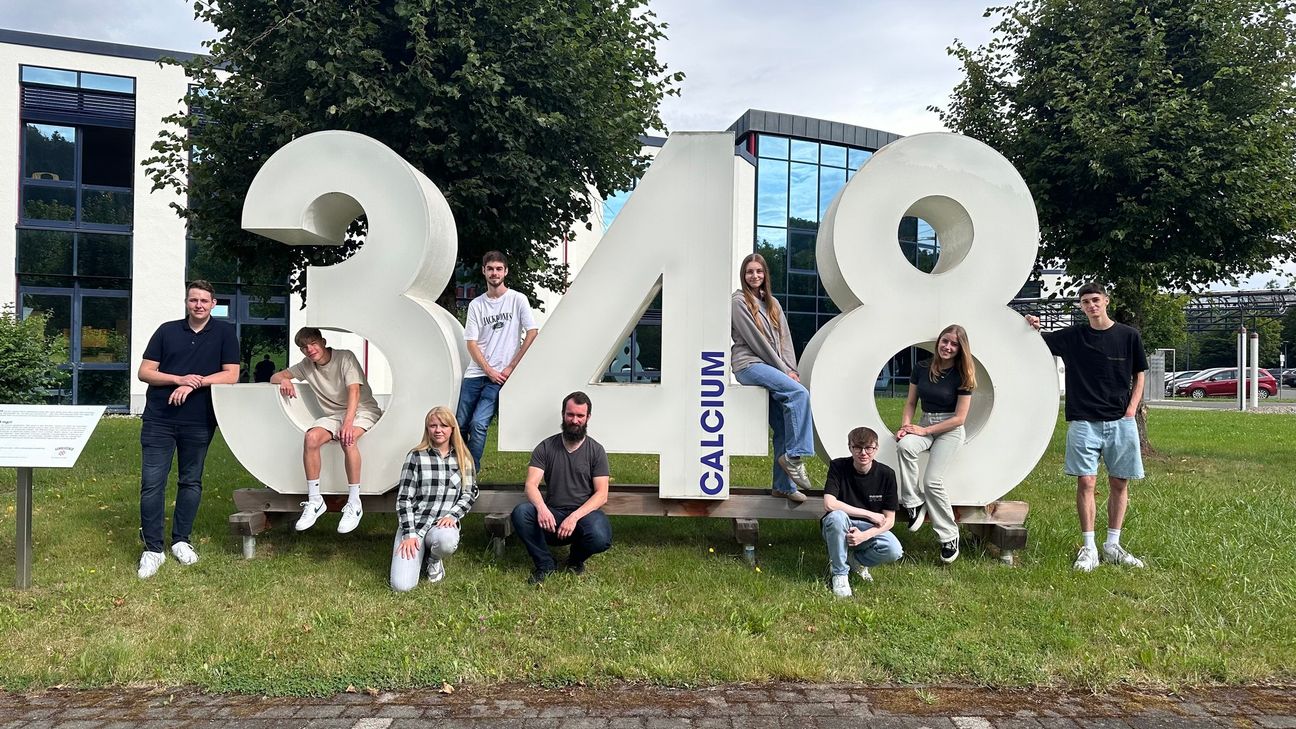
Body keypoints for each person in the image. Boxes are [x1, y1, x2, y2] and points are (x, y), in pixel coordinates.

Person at [1025, 283, 1148, 572]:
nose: (1091, 305)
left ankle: (1113, 545)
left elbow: (1139, 374)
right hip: (1083, 421)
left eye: (1095, 300)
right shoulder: (1073, 337)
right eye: (1085, 302)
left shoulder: (1128, 336)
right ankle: (1089, 547)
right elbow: (1038, 341)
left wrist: (1131, 410)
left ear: (1106, 301)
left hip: (1120, 421)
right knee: (1086, 482)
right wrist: (1032, 324)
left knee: (1120, 482)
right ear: (1081, 307)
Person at [135, 280, 240, 579]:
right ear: (186, 302)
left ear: (213, 304)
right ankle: (153, 550)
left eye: (204, 301)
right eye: (193, 300)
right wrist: (178, 379)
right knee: (152, 483)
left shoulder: (224, 333)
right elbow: (145, 372)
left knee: (191, 481)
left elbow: (231, 375)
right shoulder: (167, 331)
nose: (198, 305)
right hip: (159, 419)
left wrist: (195, 383)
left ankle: (181, 540)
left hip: (199, 420)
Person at [270, 327, 384, 534]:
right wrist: (285, 379)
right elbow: (275, 376)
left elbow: (354, 391)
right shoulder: (306, 365)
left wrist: (348, 423)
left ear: (323, 342)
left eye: (313, 343)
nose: (310, 349)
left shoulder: (345, 357)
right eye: (304, 347)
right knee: (311, 437)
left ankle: (354, 503)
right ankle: (315, 500)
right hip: (335, 415)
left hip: (362, 410)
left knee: (348, 439)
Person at [730, 253, 815, 502]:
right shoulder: (739, 302)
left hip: (773, 367)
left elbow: (784, 340)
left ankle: (783, 486)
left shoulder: (772, 303)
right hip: (749, 365)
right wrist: (783, 371)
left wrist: (792, 369)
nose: (754, 276)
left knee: (783, 424)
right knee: (799, 394)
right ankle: (795, 456)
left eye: (759, 271)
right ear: (743, 275)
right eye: (749, 271)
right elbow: (758, 342)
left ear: (765, 274)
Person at [510, 391, 612, 585]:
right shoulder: (546, 447)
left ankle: (575, 559)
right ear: (563, 414)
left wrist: (574, 518)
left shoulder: (596, 451)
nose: (575, 420)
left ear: (588, 417)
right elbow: (531, 485)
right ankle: (545, 564)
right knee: (521, 513)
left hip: (583, 516)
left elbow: (602, 494)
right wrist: (542, 509)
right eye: (570, 414)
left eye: (580, 416)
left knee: (600, 537)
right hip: (552, 515)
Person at [895, 324, 976, 564]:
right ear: (938, 341)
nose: (947, 347)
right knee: (905, 446)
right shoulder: (921, 368)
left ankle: (949, 536)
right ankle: (913, 503)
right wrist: (905, 426)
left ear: (961, 349)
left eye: (954, 344)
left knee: (932, 481)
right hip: (925, 422)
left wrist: (925, 430)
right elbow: (911, 403)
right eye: (945, 341)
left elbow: (960, 418)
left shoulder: (963, 375)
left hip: (950, 430)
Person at [456, 251, 538, 472]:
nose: (494, 273)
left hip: (500, 376)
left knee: (479, 424)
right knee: (460, 424)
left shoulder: (517, 299)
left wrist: (511, 367)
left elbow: (532, 332)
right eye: (490, 269)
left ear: (506, 271)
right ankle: (457, 470)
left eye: (499, 269)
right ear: (484, 271)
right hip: (476, 374)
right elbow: (471, 343)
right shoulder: (477, 305)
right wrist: (488, 369)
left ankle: (470, 473)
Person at [389, 406, 478, 591]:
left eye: (444, 426)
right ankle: (418, 553)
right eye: (433, 425)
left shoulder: (463, 458)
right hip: (416, 524)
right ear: (427, 428)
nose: (438, 430)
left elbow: (470, 493)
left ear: (452, 429)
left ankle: (434, 559)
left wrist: (453, 515)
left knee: (446, 541)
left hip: (442, 526)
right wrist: (409, 534)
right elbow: (404, 498)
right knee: (401, 586)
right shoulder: (416, 456)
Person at [821, 426, 903, 597]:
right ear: (850, 447)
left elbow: (889, 520)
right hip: (840, 525)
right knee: (837, 517)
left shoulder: (887, 474)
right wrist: (869, 514)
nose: (863, 453)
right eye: (857, 447)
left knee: (894, 550)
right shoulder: (838, 466)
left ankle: (855, 561)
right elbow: (829, 504)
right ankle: (839, 574)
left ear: (876, 448)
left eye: (868, 448)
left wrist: (864, 535)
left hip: (867, 529)